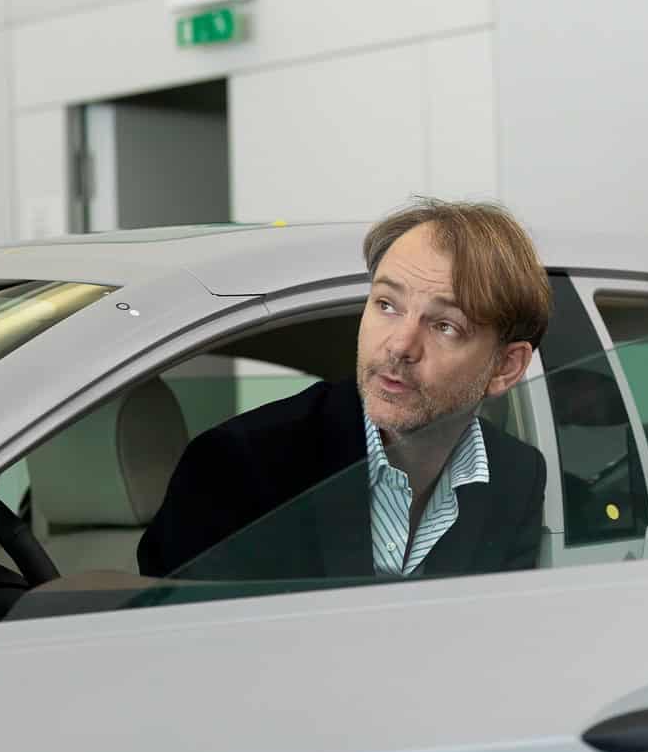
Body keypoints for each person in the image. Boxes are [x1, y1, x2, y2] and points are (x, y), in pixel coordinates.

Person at [138, 199, 550, 581]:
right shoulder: (235, 466)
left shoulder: (516, 474)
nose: (400, 346)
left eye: (446, 326)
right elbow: (171, 633)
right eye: (386, 304)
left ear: (505, 367)